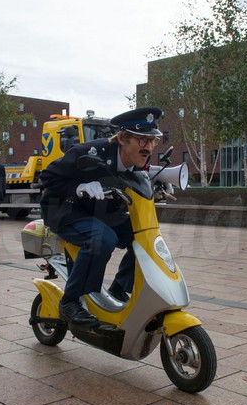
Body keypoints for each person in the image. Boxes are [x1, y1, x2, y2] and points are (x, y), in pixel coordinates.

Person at [39, 107, 164, 326]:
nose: (149, 147)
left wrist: (160, 184)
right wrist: (80, 186)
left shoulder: (135, 160)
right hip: (65, 209)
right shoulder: (89, 152)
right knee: (102, 239)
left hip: (99, 211)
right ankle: (70, 301)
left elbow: (132, 179)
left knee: (145, 239)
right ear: (123, 138)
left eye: (153, 140)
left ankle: (119, 287)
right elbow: (48, 176)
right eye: (143, 140)